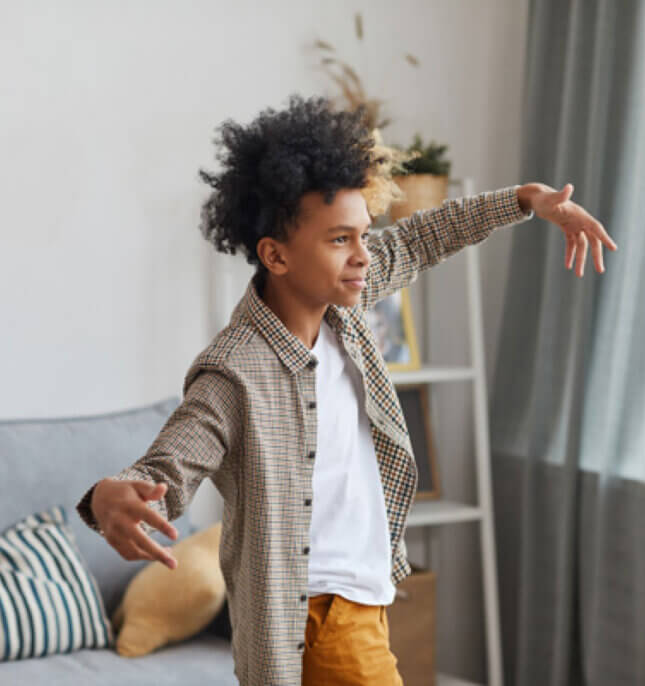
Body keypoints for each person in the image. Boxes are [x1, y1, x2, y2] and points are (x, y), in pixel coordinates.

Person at [74, 93, 617, 685]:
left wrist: (525, 200)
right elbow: (171, 462)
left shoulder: (341, 310)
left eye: (363, 235)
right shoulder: (235, 372)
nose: (363, 256)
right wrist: (113, 494)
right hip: (319, 617)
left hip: (361, 601)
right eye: (340, 240)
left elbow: (418, 239)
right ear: (275, 255)